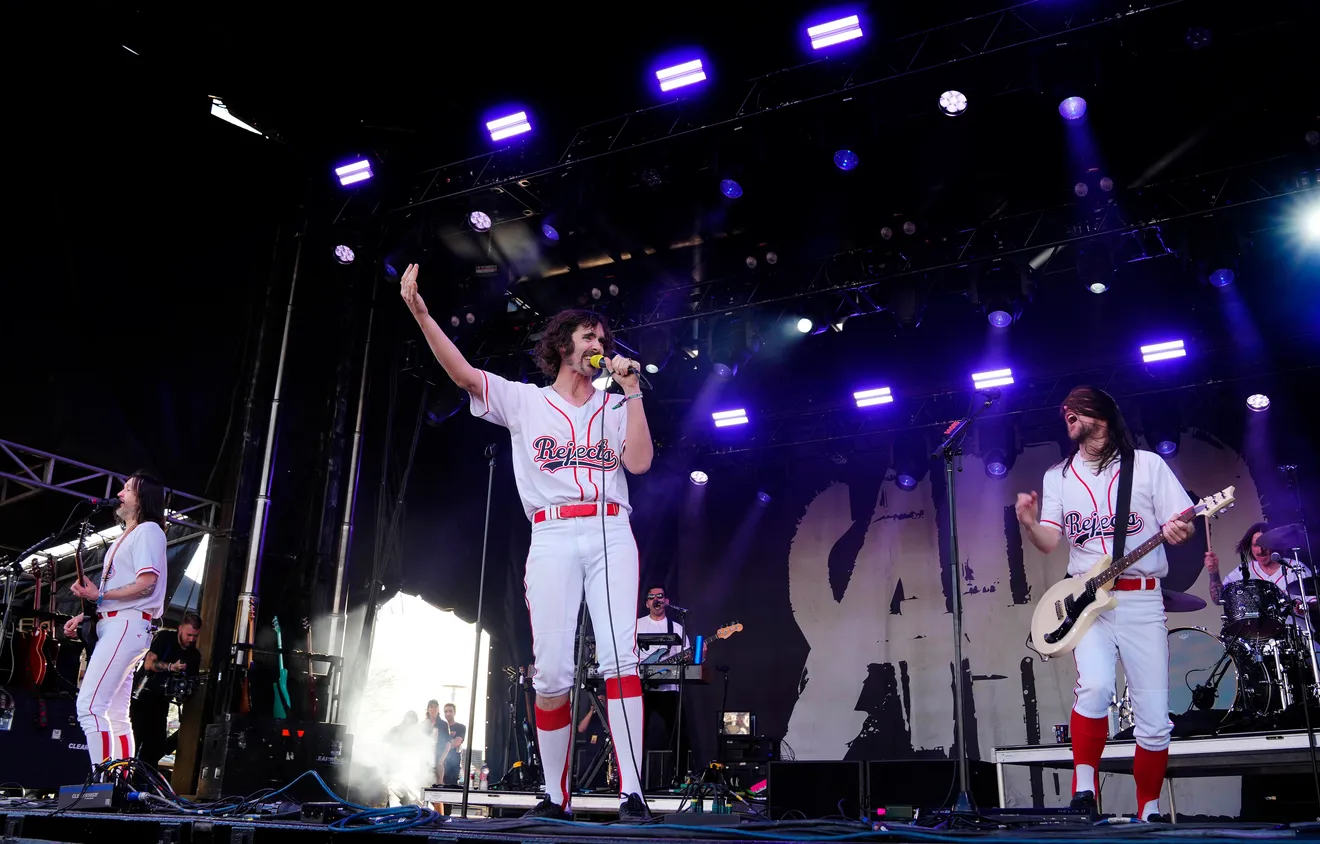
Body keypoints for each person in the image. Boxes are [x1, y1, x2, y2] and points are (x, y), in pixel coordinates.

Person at [401, 263, 654, 822]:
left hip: (612, 528)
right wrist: (421, 313)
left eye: (603, 339)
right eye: (589, 337)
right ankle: (555, 796)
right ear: (563, 345)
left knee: (619, 657)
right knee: (553, 670)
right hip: (554, 531)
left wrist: (632, 389)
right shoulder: (525, 401)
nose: (599, 345)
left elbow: (638, 462)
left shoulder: (616, 405)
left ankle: (632, 792)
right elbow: (466, 375)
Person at [1015, 387, 1194, 821]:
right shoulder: (1057, 476)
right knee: (1094, 687)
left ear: (1103, 415)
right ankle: (1082, 792)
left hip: (1142, 600)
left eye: (1076, 406)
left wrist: (1180, 531)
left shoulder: (1148, 466)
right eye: (1064, 408)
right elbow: (1049, 541)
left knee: (1153, 715)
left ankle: (1148, 809)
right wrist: (1027, 523)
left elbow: (1184, 521)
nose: (1066, 412)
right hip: (1088, 602)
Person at [65, 472, 169, 767]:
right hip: (121, 624)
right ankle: (118, 783)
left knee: (89, 706)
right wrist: (85, 614)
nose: (120, 493)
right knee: (114, 713)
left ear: (143, 498)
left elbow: (146, 582)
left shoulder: (149, 531)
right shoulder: (128, 535)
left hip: (127, 625)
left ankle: (102, 780)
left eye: (127, 489)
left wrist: (98, 597)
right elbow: (113, 593)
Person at [130, 612, 202, 766]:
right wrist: (171, 667)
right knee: (135, 737)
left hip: (162, 701)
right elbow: (149, 664)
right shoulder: (165, 639)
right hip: (142, 696)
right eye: (189, 634)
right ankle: (123, 776)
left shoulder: (194, 655)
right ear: (180, 628)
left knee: (156, 746)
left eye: (195, 636)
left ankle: (143, 778)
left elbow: (191, 682)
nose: (191, 639)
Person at [636, 585, 689, 780]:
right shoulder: (637, 625)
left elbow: (687, 657)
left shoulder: (676, 628)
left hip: (668, 689)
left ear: (666, 601)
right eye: (652, 597)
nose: (656, 600)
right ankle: (633, 778)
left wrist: (700, 654)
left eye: (660, 596)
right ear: (647, 603)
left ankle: (679, 776)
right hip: (642, 688)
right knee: (638, 734)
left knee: (679, 734)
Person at [438, 702, 467, 786]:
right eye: (446, 711)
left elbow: (457, 741)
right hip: (439, 761)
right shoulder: (440, 727)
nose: (448, 713)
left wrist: (442, 747)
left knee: (450, 787)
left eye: (450, 711)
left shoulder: (460, 727)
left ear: (455, 712)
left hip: (453, 764)